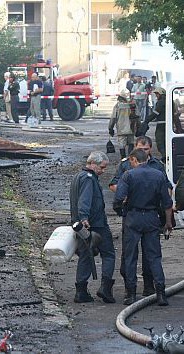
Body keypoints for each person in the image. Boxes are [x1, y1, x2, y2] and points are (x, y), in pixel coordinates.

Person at [109, 135, 173, 297]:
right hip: (152, 217)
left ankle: (131, 293)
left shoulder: (129, 174)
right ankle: (160, 293)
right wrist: (168, 222)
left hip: (133, 217)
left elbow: (118, 198)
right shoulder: (157, 173)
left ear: (135, 160)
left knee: (130, 256)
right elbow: (167, 201)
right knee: (154, 256)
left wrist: (122, 210)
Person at [70, 151, 116, 304]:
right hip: (95, 224)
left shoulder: (78, 176)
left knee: (85, 256)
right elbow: (85, 200)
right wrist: (84, 218)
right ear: (93, 164)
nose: (103, 171)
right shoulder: (89, 179)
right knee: (108, 254)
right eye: (102, 167)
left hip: (81, 227)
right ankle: (105, 288)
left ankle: (81, 291)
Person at [108, 90, 135, 158]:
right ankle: (130, 158)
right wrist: (139, 127)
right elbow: (137, 117)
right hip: (131, 128)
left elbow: (113, 118)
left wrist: (110, 128)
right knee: (131, 143)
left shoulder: (117, 106)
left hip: (121, 128)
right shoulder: (133, 105)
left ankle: (123, 158)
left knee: (121, 144)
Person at [143, 87, 166, 162]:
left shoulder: (161, 102)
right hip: (168, 125)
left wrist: (147, 120)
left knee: (160, 141)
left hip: (161, 125)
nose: (156, 96)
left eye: (157, 94)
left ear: (160, 94)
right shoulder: (169, 100)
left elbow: (156, 113)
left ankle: (164, 156)